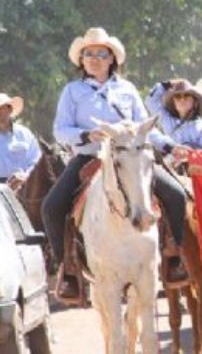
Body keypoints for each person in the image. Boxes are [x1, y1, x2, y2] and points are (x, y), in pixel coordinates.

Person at [41, 27, 188, 301]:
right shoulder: (72, 92)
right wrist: (86, 134)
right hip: (89, 157)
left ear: (112, 59)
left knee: (176, 194)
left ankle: (173, 255)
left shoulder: (127, 89)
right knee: (50, 206)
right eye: (88, 54)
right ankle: (69, 269)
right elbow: (60, 130)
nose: (94, 58)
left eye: (101, 53)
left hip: (130, 156)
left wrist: (169, 146)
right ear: (81, 61)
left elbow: (146, 127)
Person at [146, 79, 202, 150]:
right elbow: (151, 101)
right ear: (174, 102)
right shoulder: (168, 121)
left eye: (186, 95)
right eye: (178, 96)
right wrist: (168, 84)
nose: (182, 99)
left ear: (195, 101)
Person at [0, 92, 41, 190]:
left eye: (1, 107)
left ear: (9, 109)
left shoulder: (25, 134)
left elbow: (36, 160)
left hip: (23, 188)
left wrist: (25, 176)